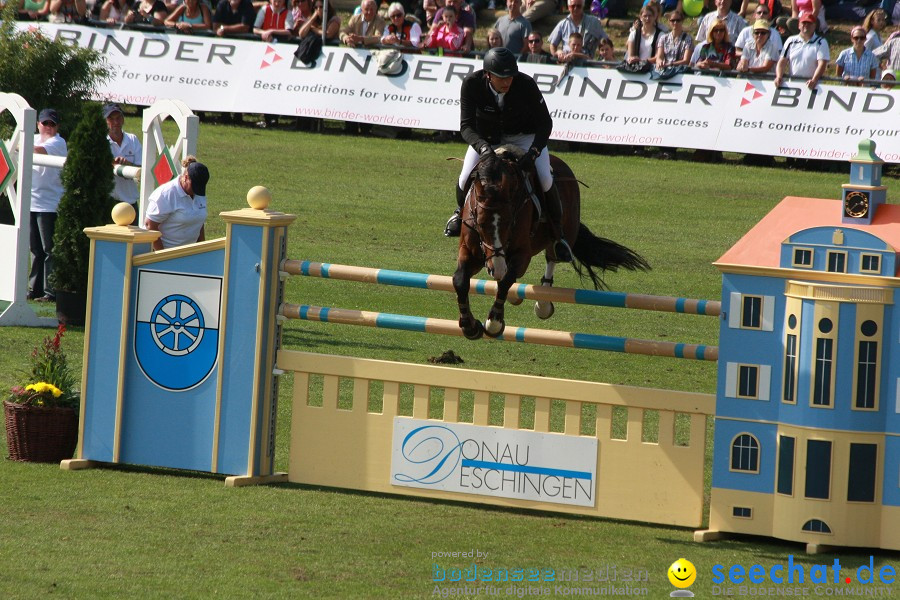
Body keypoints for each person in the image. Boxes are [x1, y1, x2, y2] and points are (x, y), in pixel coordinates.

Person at [445, 48, 572, 263]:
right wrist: (483, 147)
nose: (508, 81)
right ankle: (459, 213)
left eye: (510, 76)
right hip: (488, 140)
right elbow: (466, 126)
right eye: (502, 77)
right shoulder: (472, 84)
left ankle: (558, 234)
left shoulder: (526, 84)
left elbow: (545, 124)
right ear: (488, 75)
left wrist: (533, 152)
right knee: (465, 176)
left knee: (545, 177)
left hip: (524, 137)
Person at [28, 109, 66, 302]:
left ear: (57, 126)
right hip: (31, 201)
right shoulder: (32, 139)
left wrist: (19, 144)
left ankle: (50, 291)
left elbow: (37, 151)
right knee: (35, 249)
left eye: (52, 124)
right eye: (45, 123)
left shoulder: (58, 142)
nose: (48, 127)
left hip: (49, 204)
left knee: (49, 249)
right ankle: (34, 289)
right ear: (38, 124)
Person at [145, 158, 209, 250]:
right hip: (165, 253)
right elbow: (150, 225)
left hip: (188, 253)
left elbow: (199, 221)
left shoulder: (199, 193)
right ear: (186, 177)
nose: (196, 191)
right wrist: (163, 256)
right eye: (194, 186)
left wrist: (202, 250)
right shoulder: (165, 194)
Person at [104, 103, 143, 215]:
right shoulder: (101, 141)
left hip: (130, 201)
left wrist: (127, 164)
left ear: (123, 119)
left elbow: (142, 169)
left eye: (118, 118)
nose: (116, 122)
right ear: (105, 121)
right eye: (111, 119)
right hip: (109, 201)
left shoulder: (132, 139)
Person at [774, 12, 829, 88]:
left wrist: (814, 80)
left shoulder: (821, 42)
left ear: (814, 26)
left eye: (809, 23)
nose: (806, 25)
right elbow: (782, 61)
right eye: (804, 23)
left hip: (813, 86)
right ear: (799, 25)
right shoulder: (791, 40)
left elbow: (822, 64)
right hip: (793, 84)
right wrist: (779, 76)